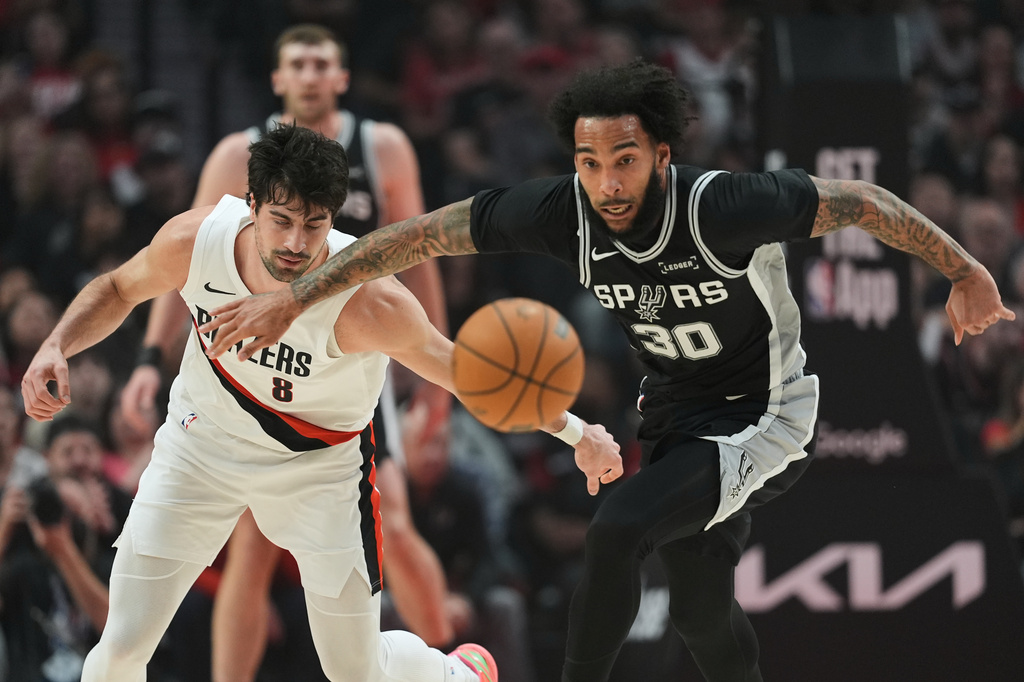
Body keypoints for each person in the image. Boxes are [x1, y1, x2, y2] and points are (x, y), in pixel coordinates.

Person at [198, 60, 1016, 682]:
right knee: (699, 609)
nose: (605, 181)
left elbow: (864, 201)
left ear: (660, 154)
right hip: (671, 413)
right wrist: (299, 293)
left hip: (763, 413)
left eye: (623, 160)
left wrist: (965, 271)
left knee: (619, 527)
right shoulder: (565, 212)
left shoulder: (723, 205)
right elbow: (417, 238)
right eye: (590, 162)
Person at [19, 124, 623, 681]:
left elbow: (469, 374)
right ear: (251, 205)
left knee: (354, 673)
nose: (295, 242)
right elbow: (119, 287)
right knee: (121, 648)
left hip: (320, 471)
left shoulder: (369, 303)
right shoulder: (194, 241)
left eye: (314, 224)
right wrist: (56, 343)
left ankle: (457, 674)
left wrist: (579, 433)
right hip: (199, 450)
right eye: (280, 220)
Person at [117, 23, 458, 681]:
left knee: (396, 527)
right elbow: (176, 265)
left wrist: (435, 388)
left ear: (341, 77)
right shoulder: (235, 155)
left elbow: (421, 262)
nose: (307, 74)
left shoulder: (381, 147)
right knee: (248, 550)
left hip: (343, 363)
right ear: (275, 79)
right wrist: (148, 359)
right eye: (295, 63)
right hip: (250, 360)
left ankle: (445, 663)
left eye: (320, 62)